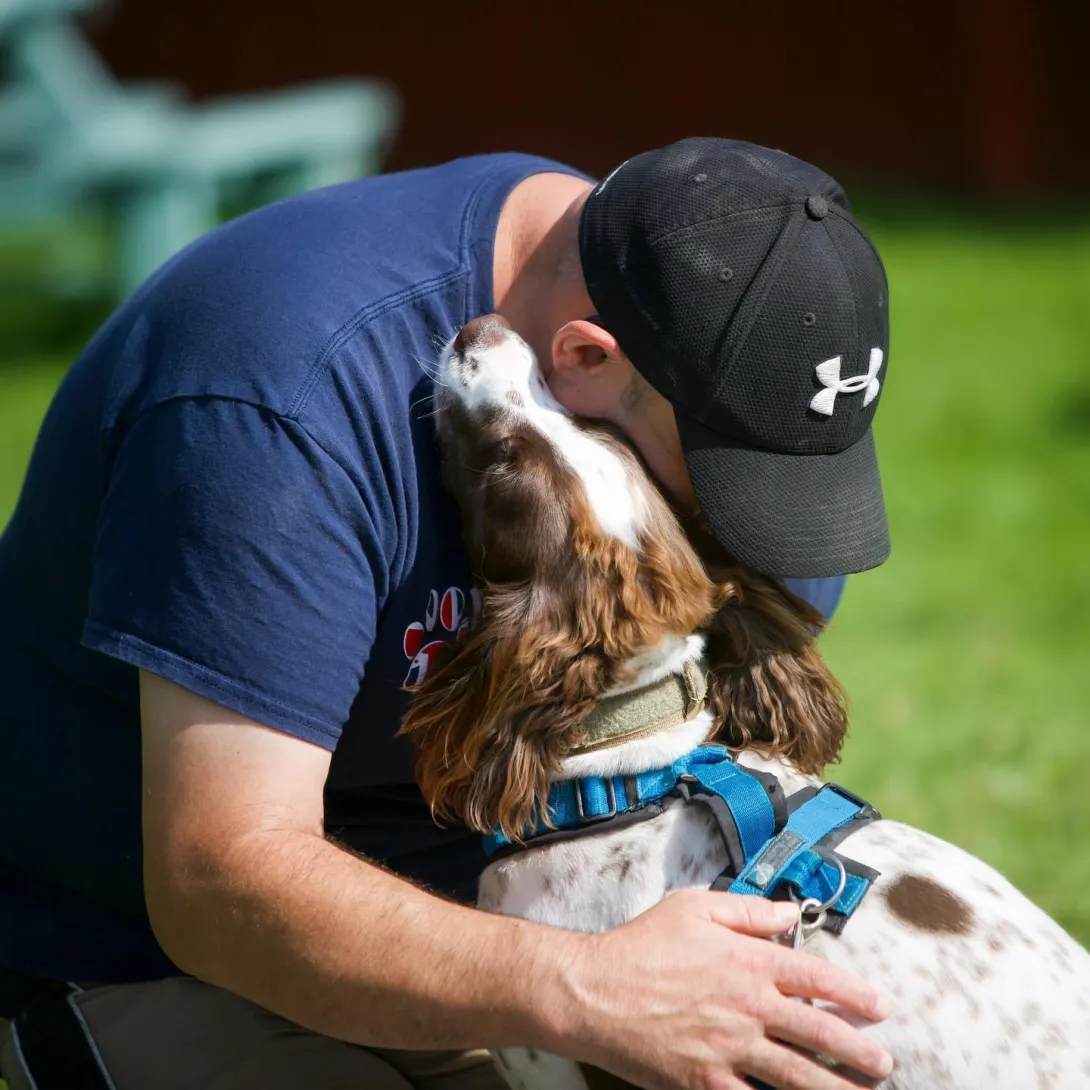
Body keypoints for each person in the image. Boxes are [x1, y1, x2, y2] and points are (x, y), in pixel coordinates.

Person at [0, 138, 895, 1090]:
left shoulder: (720, 349)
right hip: (146, 953)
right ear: (585, 358)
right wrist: (587, 985)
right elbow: (219, 881)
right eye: (723, 482)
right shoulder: (277, 402)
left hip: (524, 919)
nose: (765, 538)